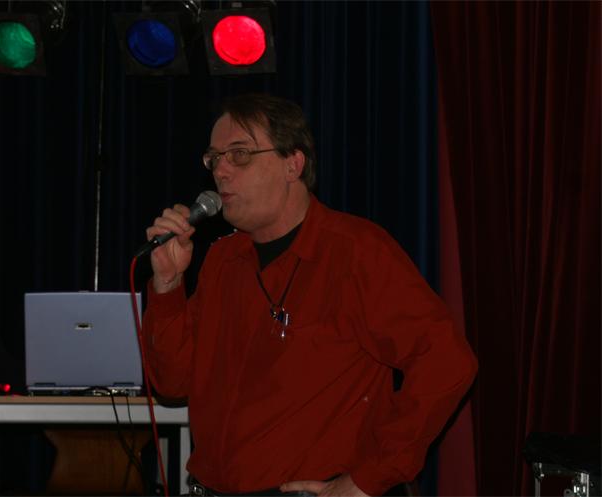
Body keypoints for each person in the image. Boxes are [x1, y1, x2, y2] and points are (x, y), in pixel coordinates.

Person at [141, 93, 477, 497]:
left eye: (240, 155)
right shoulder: (222, 261)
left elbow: (446, 363)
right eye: (214, 159)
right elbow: (174, 382)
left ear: (293, 164)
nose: (222, 171)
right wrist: (167, 285)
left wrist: (367, 480)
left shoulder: (355, 252)